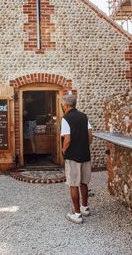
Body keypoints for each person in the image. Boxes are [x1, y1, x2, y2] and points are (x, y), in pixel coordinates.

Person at [61, 94, 93, 224]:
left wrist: (63, 151)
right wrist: (85, 145)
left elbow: (67, 139)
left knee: (73, 184)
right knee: (84, 182)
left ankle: (77, 214)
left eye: (62, 104)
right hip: (85, 154)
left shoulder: (65, 119)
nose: (62, 106)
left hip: (73, 156)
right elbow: (90, 135)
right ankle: (85, 208)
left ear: (66, 105)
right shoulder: (84, 117)